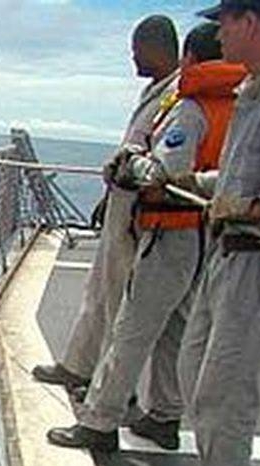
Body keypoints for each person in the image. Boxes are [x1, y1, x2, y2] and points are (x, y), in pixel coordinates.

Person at [46, 23, 247, 453]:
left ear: (190, 58)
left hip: (170, 234)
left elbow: (163, 173)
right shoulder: (237, 107)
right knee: (176, 328)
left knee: (132, 327)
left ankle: (100, 421)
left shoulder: (190, 110)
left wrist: (130, 167)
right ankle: (164, 416)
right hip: (206, 235)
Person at [151, 0, 260, 466]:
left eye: (225, 22)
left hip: (258, 262)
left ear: (249, 22)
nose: (218, 34)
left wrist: (249, 208)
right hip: (228, 258)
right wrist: (197, 185)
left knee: (226, 385)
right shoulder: (254, 91)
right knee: (195, 370)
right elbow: (237, 176)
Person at [32, 16, 181, 392]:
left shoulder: (176, 95)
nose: (134, 58)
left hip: (137, 214)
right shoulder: (156, 91)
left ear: (155, 47)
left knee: (120, 302)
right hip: (121, 205)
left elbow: (159, 162)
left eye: (137, 50)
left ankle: (113, 388)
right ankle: (78, 366)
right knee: (99, 290)